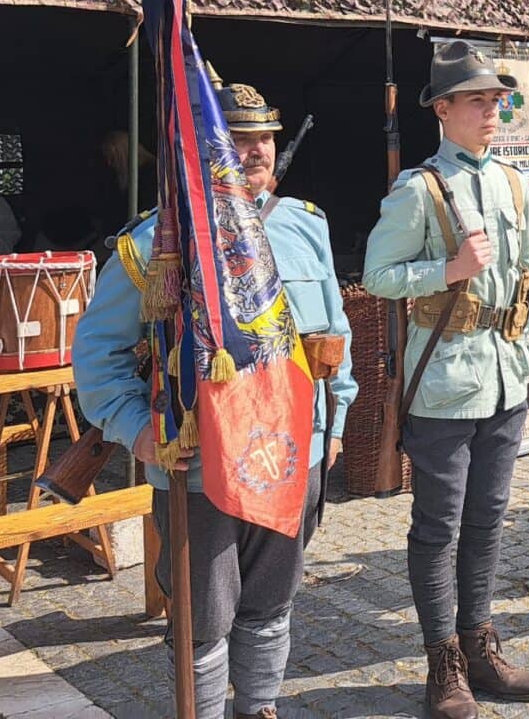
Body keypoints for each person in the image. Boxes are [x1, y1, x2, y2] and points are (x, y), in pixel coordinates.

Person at [74, 80, 357, 719]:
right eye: (238, 139)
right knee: (204, 616)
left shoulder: (305, 226)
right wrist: (135, 429)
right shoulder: (153, 243)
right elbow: (96, 354)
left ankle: (258, 706)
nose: (255, 150)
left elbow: (333, 331)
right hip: (199, 463)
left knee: (272, 600)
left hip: (292, 456)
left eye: (264, 137)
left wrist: (336, 419)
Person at [363, 42, 529, 719]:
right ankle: (443, 661)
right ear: (442, 110)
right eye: (477, 100)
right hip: (442, 382)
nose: (491, 110)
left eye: (496, 99)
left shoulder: (512, 183)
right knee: (438, 526)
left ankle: (480, 642)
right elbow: (379, 277)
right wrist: (447, 272)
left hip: (503, 378)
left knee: (488, 520)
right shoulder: (419, 189)